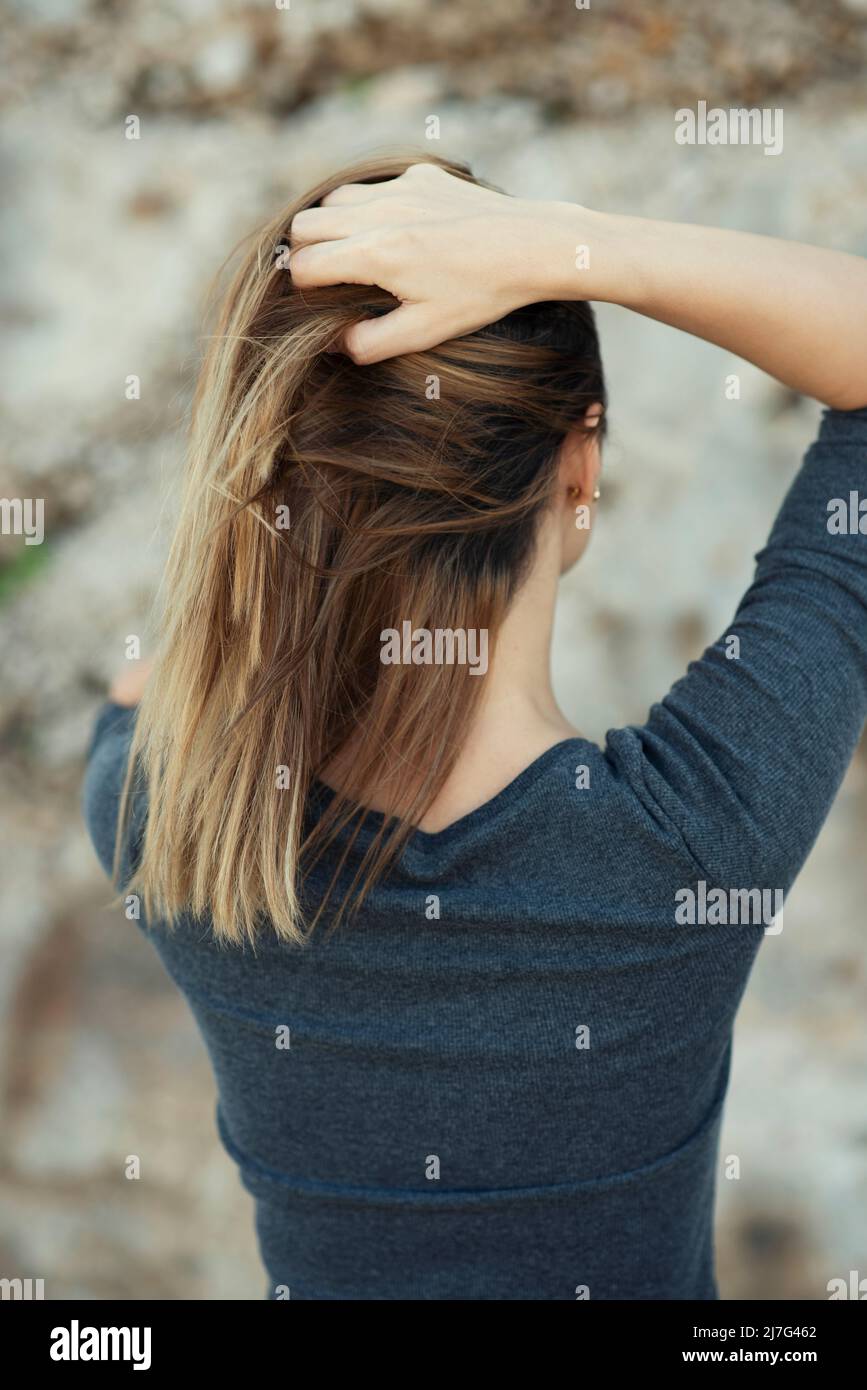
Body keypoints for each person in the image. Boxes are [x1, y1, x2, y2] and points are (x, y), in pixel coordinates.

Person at [83, 154, 867, 1300]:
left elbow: (153, 681)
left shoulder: (161, 818)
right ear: (580, 470)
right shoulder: (696, 844)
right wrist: (566, 241)